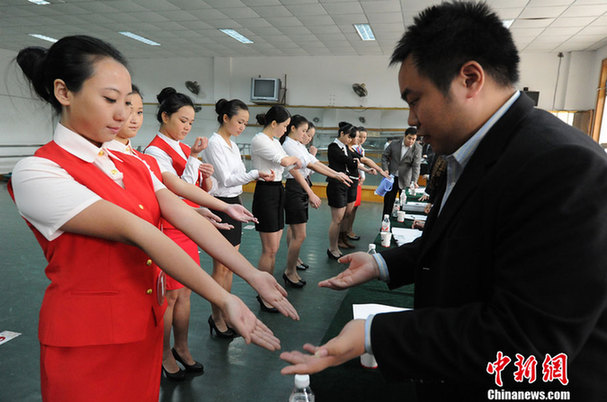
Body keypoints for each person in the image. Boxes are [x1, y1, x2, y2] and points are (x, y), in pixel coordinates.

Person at [279, 2, 607, 401]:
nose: (412, 119)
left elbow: (530, 343)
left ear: (470, 79)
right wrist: (385, 263)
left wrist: (374, 333)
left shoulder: (561, 164)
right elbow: (464, 241)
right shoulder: (481, 150)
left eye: (415, 100)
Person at [10, 35, 292, 402]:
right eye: (111, 100)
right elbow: (141, 231)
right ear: (64, 92)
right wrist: (223, 299)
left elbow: (183, 214)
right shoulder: (38, 171)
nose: (123, 114)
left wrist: (253, 275)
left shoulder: (132, 161)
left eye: (128, 103)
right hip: (87, 342)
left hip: (143, 329)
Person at [201, 98, 274, 337]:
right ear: (225, 118)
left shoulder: (231, 143)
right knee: (220, 266)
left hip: (234, 202)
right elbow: (227, 179)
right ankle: (216, 316)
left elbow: (239, 175)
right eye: (239, 121)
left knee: (230, 265)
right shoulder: (215, 143)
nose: (243, 126)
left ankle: (227, 314)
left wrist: (252, 174)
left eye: (245, 123)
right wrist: (255, 173)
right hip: (221, 204)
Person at [280, 115, 351, 287]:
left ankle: (294, 262)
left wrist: (336, 174)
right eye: (304, 131)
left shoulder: (297, 145)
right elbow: (309, 166)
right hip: (294, 187)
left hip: (299, 187)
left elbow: (315, 162)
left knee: (295, 230)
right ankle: (289, 271)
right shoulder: (289, 145)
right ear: (292, 128)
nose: (306, 136)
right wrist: (314, 190)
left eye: (308, 133)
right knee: (300, 234)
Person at [250, 105, 302, 311]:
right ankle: (264, 293)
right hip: (266, 193)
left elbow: (290, 165)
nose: (285, 130)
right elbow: (286, 160)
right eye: (285, 126)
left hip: (277, 190)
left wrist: (294, 160)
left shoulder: (273, 141)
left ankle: (269, 286)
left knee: (274, 249)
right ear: (273, 123)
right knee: (269, 249)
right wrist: (294, 159)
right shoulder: (260, 140)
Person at [381, 126, 422, 216]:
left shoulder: (417, 148)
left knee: (402, 205)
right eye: (409, 138)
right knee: (388, 203)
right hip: (391, 177)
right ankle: (384, 225)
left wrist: (414, 181)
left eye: (413, 139)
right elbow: (384, 156)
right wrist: (385, 169)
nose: (411, 141)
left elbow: (416, 166)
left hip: (405, 179)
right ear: (405, 136)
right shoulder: (394, 144)